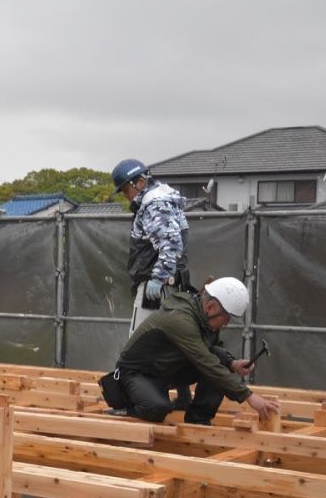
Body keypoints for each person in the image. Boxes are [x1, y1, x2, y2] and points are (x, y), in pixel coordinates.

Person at [99, 277, 279, 426]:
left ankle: (198, 420)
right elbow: (206, 362)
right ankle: (125, 409)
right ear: (210, 308)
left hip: (164, 371)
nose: (227, 324)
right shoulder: (181, 320)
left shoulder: (203, 319)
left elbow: (211, 352)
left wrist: (231, 363)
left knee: (220, 364)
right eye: (226, 318)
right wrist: (248, 396)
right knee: (157, 408)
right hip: (136, 375)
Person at [111, 158, 192, 334]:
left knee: (138, 347)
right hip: (171, 285)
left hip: (156, 288)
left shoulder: (154, 202)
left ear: (139, 182)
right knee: (165, 346)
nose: (125, 195)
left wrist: (158, 277)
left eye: (125, 189)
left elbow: (170, 243)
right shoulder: (164, 197)